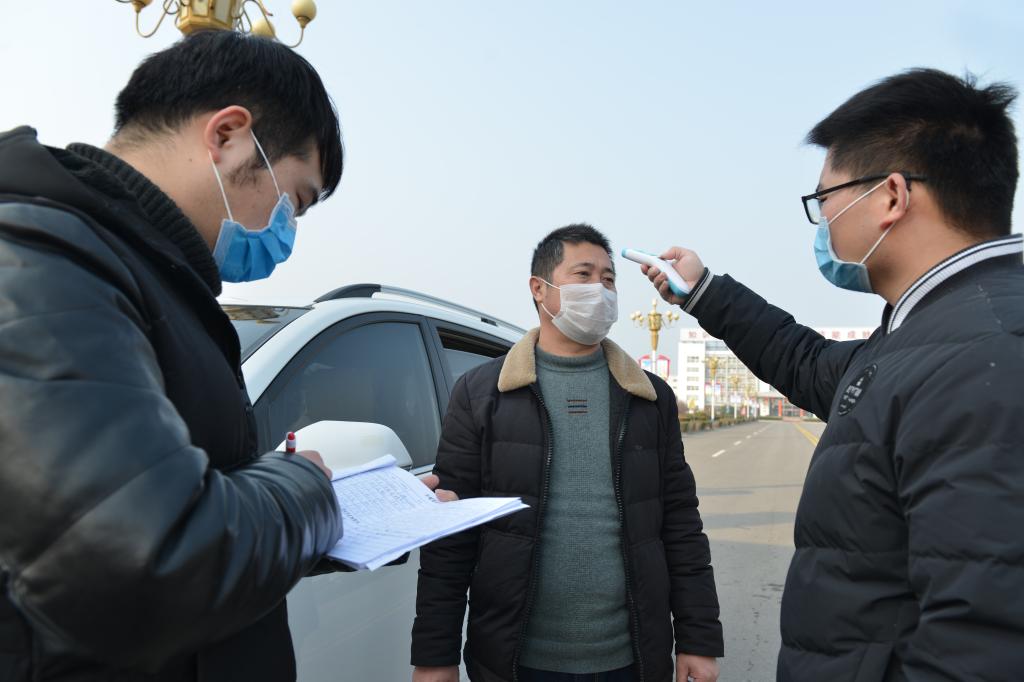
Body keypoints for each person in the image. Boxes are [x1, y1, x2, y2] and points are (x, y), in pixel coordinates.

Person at [0, 31, 449, 682]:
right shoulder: (44, 263)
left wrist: (330, 519)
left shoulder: (143, 276)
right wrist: (307, 486)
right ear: (229, 136)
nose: (286, 233)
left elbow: (174, 508)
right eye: (294, 201)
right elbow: (147, 561)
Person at [641, 69, 1023, 680]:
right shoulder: (930, 333)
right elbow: (809, 362)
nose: (822, 223)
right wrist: (705, 291)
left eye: (824, 200)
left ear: (891, 197)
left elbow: (980, 646)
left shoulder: (988, 355)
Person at [411, 224, 724, 682]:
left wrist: (698, 639)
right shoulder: (481, 393)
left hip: (630, 658)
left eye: (609, 279)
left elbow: (680, 524)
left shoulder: (648, 397)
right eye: (584, 274)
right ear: (539, 289)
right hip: (515, 660)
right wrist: (434, 657)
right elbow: (449, 537)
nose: (601, 289)